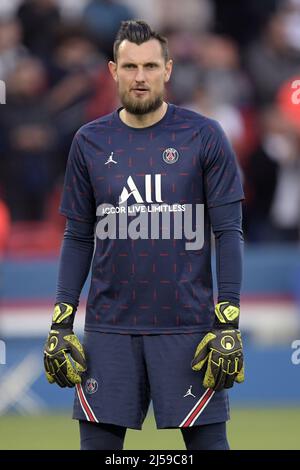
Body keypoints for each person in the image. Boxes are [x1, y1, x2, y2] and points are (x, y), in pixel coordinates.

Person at [44, 20, 244, 451]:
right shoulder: (88, 142)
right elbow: (78, 237)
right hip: (109, 331)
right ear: (112, 70)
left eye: (151, 65)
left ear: (168, 70)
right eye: (130, 66)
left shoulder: (205, 136)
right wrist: (61, 321)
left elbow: (229, 233)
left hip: (189, 329)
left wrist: (228, 319)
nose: (140, 77)